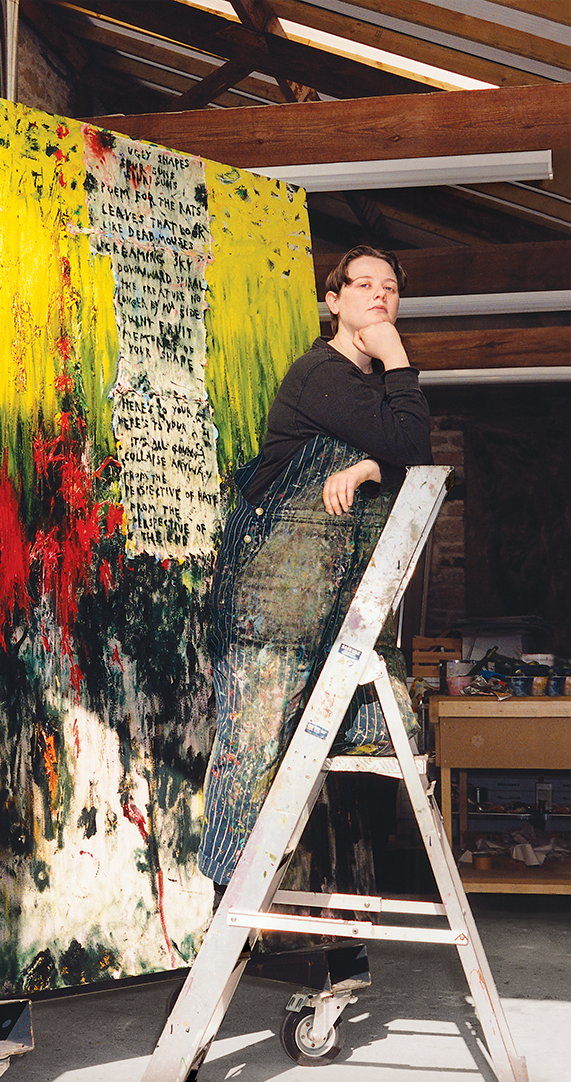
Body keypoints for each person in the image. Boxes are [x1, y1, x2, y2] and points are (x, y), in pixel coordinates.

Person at [198, 245, 433, 907]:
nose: (379, 295)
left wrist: (368, 470)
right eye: (362, 284)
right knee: (254, 751)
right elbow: (411, 445)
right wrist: (397, 359)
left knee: (364, 745)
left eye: (390, 287)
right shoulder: (320, 373)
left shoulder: (376, 392)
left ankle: (313, 929)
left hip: (334, 606)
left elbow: (420, 464)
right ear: (333, 301)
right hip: (270, 604)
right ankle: (229, 911)